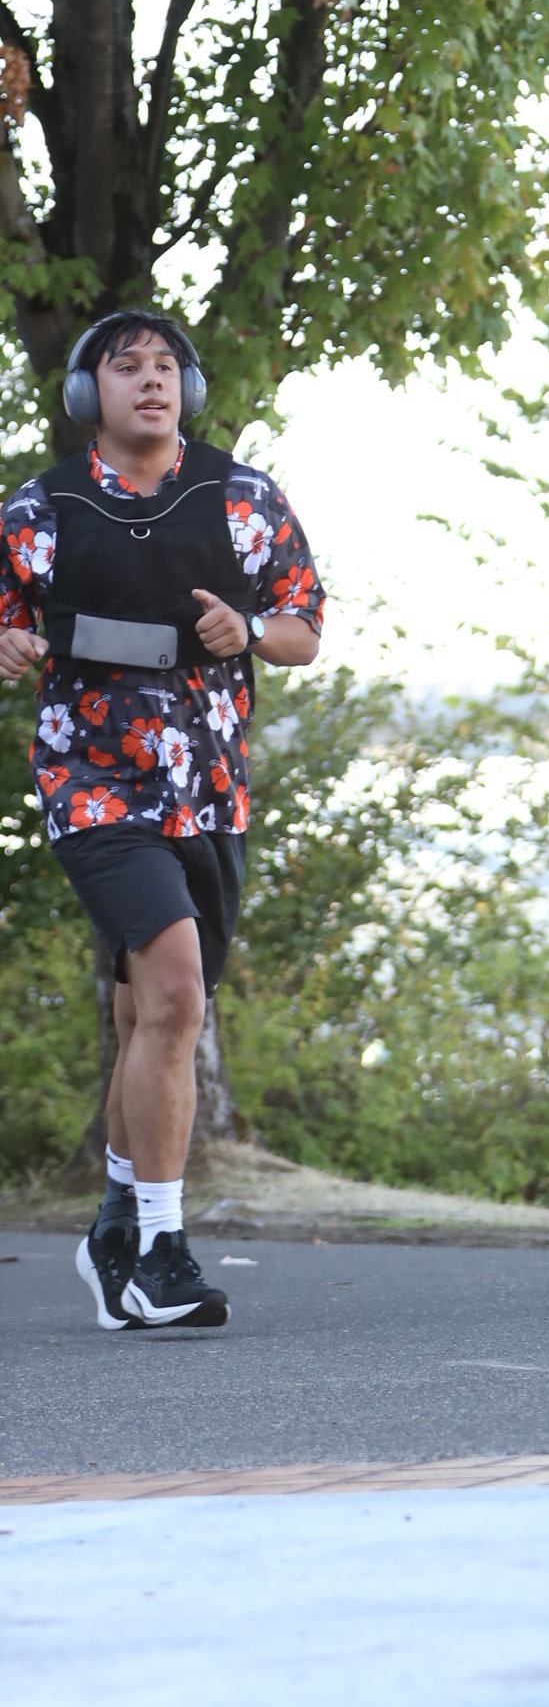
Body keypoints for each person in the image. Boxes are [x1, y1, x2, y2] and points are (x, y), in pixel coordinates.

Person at [0, 311, 324, 1331]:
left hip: (210, 789)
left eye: (165, 366)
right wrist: (8, 644)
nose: (150, 380)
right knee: (178, 991)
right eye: (124, 366)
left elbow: (303, 628)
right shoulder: (40, 511)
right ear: (85, 394)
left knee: (152, 1013)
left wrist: (249, 630)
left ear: (188, 389)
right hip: (93, 783)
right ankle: (162, 1253)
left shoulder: (241, 497)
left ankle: (111, 1225)